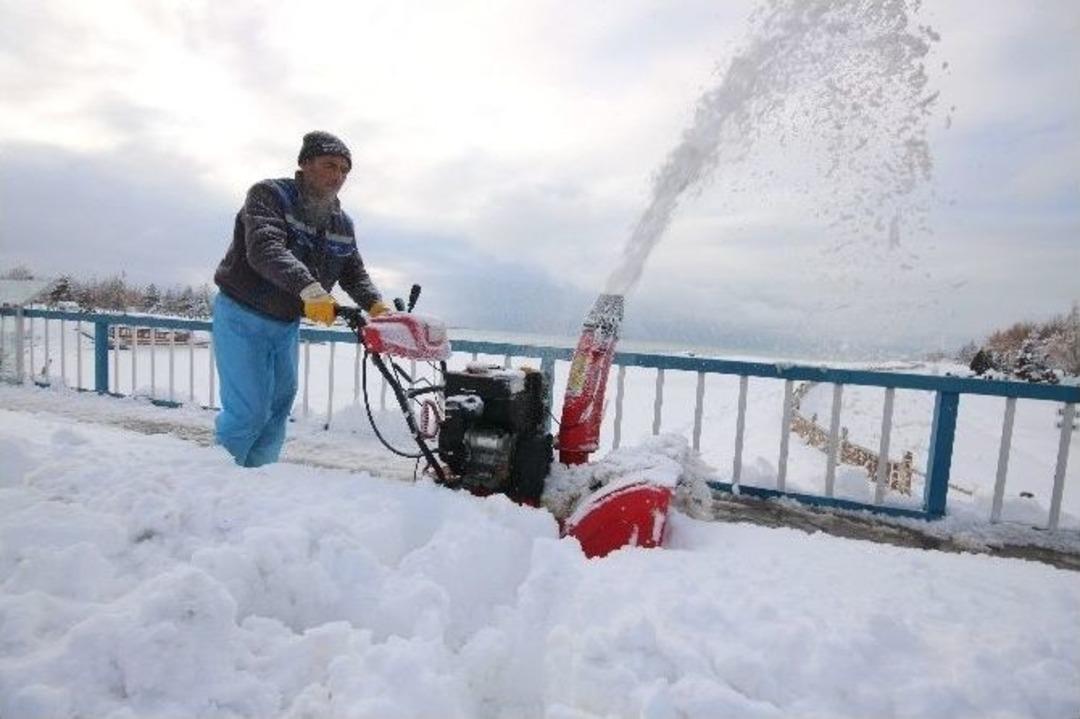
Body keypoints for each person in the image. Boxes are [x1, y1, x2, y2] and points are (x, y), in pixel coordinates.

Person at [211, 130, 390, 467]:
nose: (337, 176)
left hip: (284, 325)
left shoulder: (342, 223)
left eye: (344, 170)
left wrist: (377, 307)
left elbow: (353, 272)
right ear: (305, 164)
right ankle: (221, 477)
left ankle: (259, 474)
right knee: (249, 409)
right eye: (329, 165)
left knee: (278, 407)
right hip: (241, 315)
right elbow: (265, 249)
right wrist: (310, 290)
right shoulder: (269, 195)